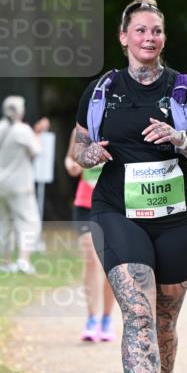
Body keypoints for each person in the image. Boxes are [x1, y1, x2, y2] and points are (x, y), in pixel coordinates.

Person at [73, 0, 187, 373]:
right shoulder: (101, 90)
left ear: (163, 38)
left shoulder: (185, 90)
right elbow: (79, 144)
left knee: (164, 322)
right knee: (137, 314)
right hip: (117, 211)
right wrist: (89, 154)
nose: (148, 38)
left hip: (179, 217)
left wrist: (180, 139)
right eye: (140, 30)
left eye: (156, 31)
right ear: (123, 37)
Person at [64, 128, 116, 341]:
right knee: (91, 260)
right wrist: (73, 166)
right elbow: (70, 158)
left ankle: (106, 319)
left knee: (110, 264)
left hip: (114, 204)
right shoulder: (80, 129)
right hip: (85, 203)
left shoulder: (118, 121)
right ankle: (91, 318)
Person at [0, 96, 50, 274]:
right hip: (19, 184)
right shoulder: (22, 130)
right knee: (30, 222)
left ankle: (5, 263)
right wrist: (38, 132)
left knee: (4, 223)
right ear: (20, 111)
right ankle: (23, 261)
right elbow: (37, 150)